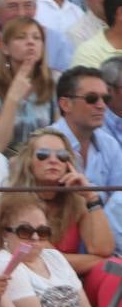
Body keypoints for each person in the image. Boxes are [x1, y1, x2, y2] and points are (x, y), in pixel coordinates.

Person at [8, 127, 115, 278]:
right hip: (32, 281)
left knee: (115, 272)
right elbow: (49, 259)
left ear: (68, 164)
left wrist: (91, 197)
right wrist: (99, 261)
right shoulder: (17, 201)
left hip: (72, 281)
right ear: (29, 162)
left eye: (62, 156)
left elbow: (103, 249)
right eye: (43, 155)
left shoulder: (76, 200)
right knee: (112, 267)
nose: (53, 160)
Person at [0, 192, 96, 307]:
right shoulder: (5, 264)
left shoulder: (54, 256)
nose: (35, 237)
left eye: (42, 231)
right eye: (25, 231)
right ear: (4, 233)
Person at [50, 66, 122, 246]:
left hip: (104, 245)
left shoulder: (110, 144)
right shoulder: (45, 143)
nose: (101, 105)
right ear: (65, 104)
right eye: (91, 98)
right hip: (58, 247)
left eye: (106, 98)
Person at [0, 17, 57, 154]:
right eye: (21, 37)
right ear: (5, 48)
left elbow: (60, 139)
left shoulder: (53, 85)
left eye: (37, 38)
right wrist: (13, 98)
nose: (30, 42)